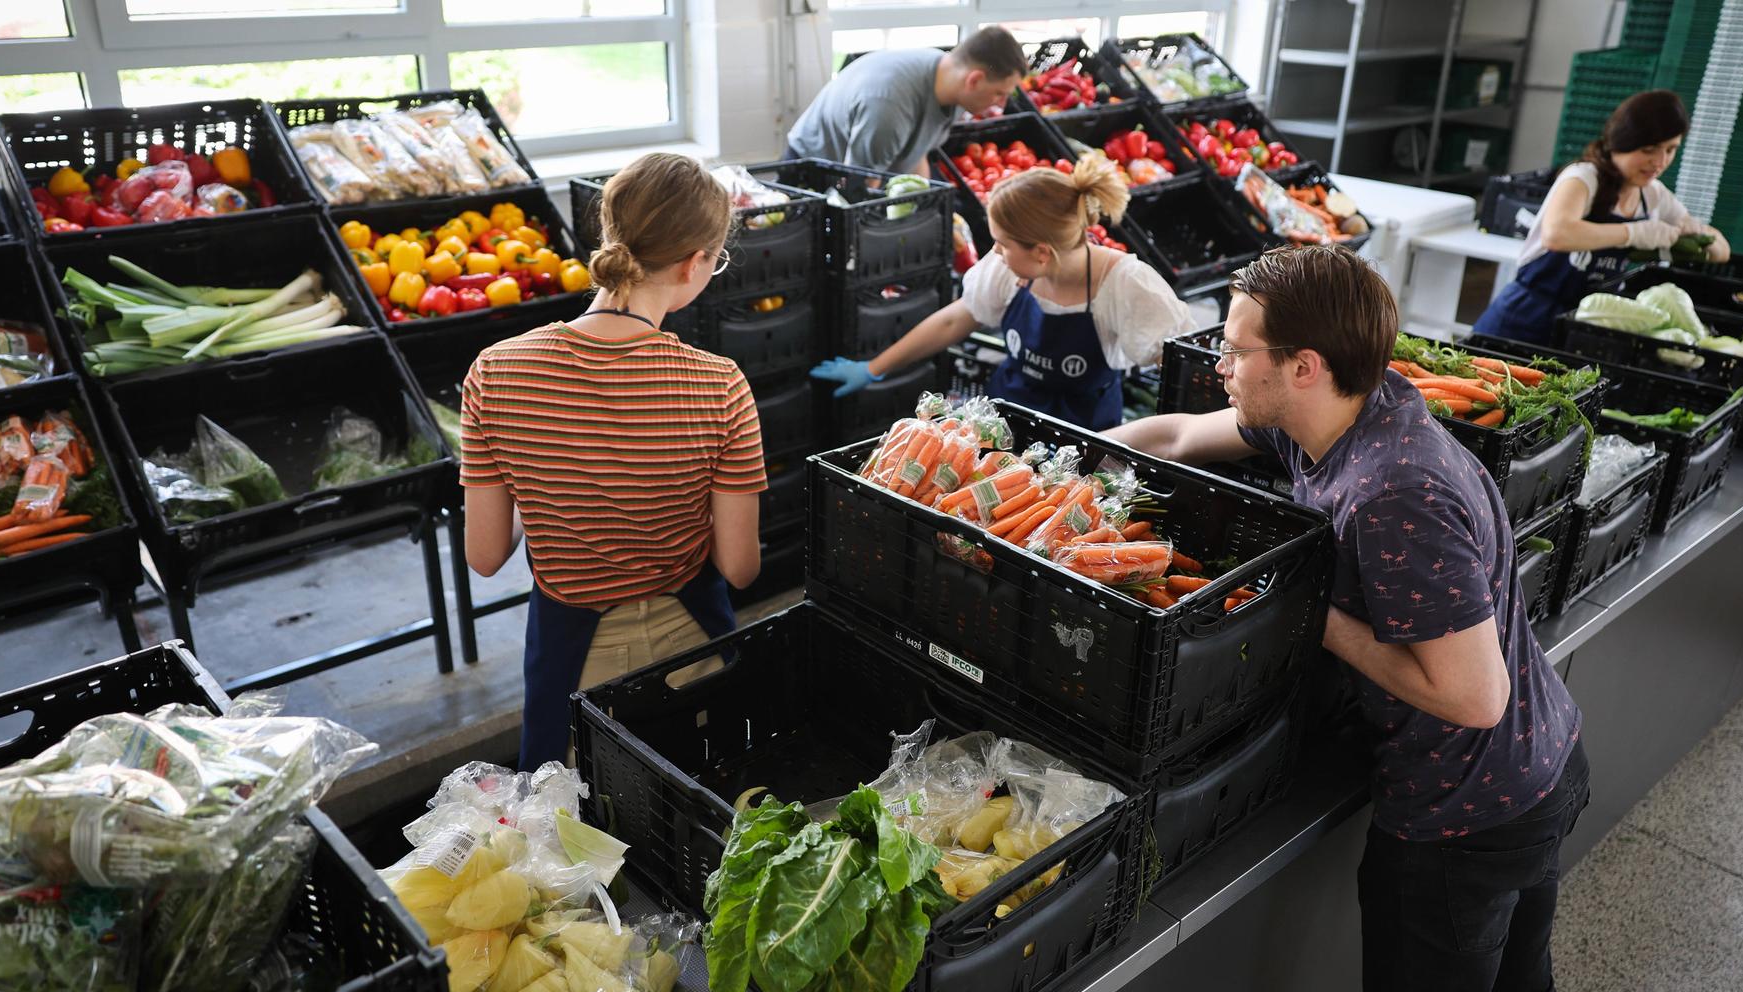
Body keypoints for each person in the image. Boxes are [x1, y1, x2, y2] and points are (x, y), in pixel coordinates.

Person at [1109, 245, 1589, 992]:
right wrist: (1042, 467)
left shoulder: (1392, 493)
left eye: (1233, 347)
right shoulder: (1339, 411)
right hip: (1543, 762)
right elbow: (1181, 433)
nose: (1218, 362)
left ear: (1303, 365)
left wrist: (1310, 614)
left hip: (1467, 814)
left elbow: (1475, 696)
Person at [460, 152, 766, 771]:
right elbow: (739, 568)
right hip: (692, 657)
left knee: (583, 843)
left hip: (574, 670)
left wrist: (542, 488)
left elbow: (486, 555)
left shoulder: (496, 370)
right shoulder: (719, 384)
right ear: (694, 263)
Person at [811, 155, 1193, 430]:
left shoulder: (1127, 285)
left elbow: (1181, 370)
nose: (994, 252)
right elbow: (955, 319)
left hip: (1089, 435)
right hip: (1004, 424)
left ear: (1042, 253)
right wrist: (873, 368)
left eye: (1000, 243)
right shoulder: (1008, 269)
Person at [1474, 89, 1728, 345]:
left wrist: (1699, 233)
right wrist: (1634, 233)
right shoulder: (1583, 178)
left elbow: (1721, 252)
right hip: (1524, 320)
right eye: (1649, 149)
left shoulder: (1653, 196)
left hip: (1586, 328)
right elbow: (1558, 234)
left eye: (1671, 150)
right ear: (1622, 142)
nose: (1660, 161)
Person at [784, 26, 1027, 176]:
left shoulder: (949, 81)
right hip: (813, 169)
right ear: (974, 80)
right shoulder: (889, 106)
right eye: (999, 93)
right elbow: (859, 186)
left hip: (867, 168)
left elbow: (916, 154)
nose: (1001, 104)